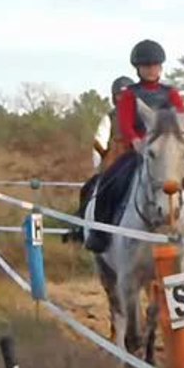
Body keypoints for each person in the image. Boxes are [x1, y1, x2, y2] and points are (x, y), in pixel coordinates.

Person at [83, 39, 184, 252]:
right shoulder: (130, 94)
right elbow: (126, 124)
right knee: (110, 178)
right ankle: (100, 233)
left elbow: (180, 121)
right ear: (138, 68)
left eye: (155, 65)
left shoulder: (171, 93)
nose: (151, 69)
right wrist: (137, 141)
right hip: (138, 150)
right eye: (146, 66)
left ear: (160, 67)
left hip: (168, 151)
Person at [63, 75, 134, 244]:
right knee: (88, 189)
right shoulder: (109, 118)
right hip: (116, 166)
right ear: (114, 97)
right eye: (120, 95)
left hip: (138, 163)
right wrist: (102, 167)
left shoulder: (142, 117)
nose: (123, 99)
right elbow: (99, 141)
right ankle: (86, 228)